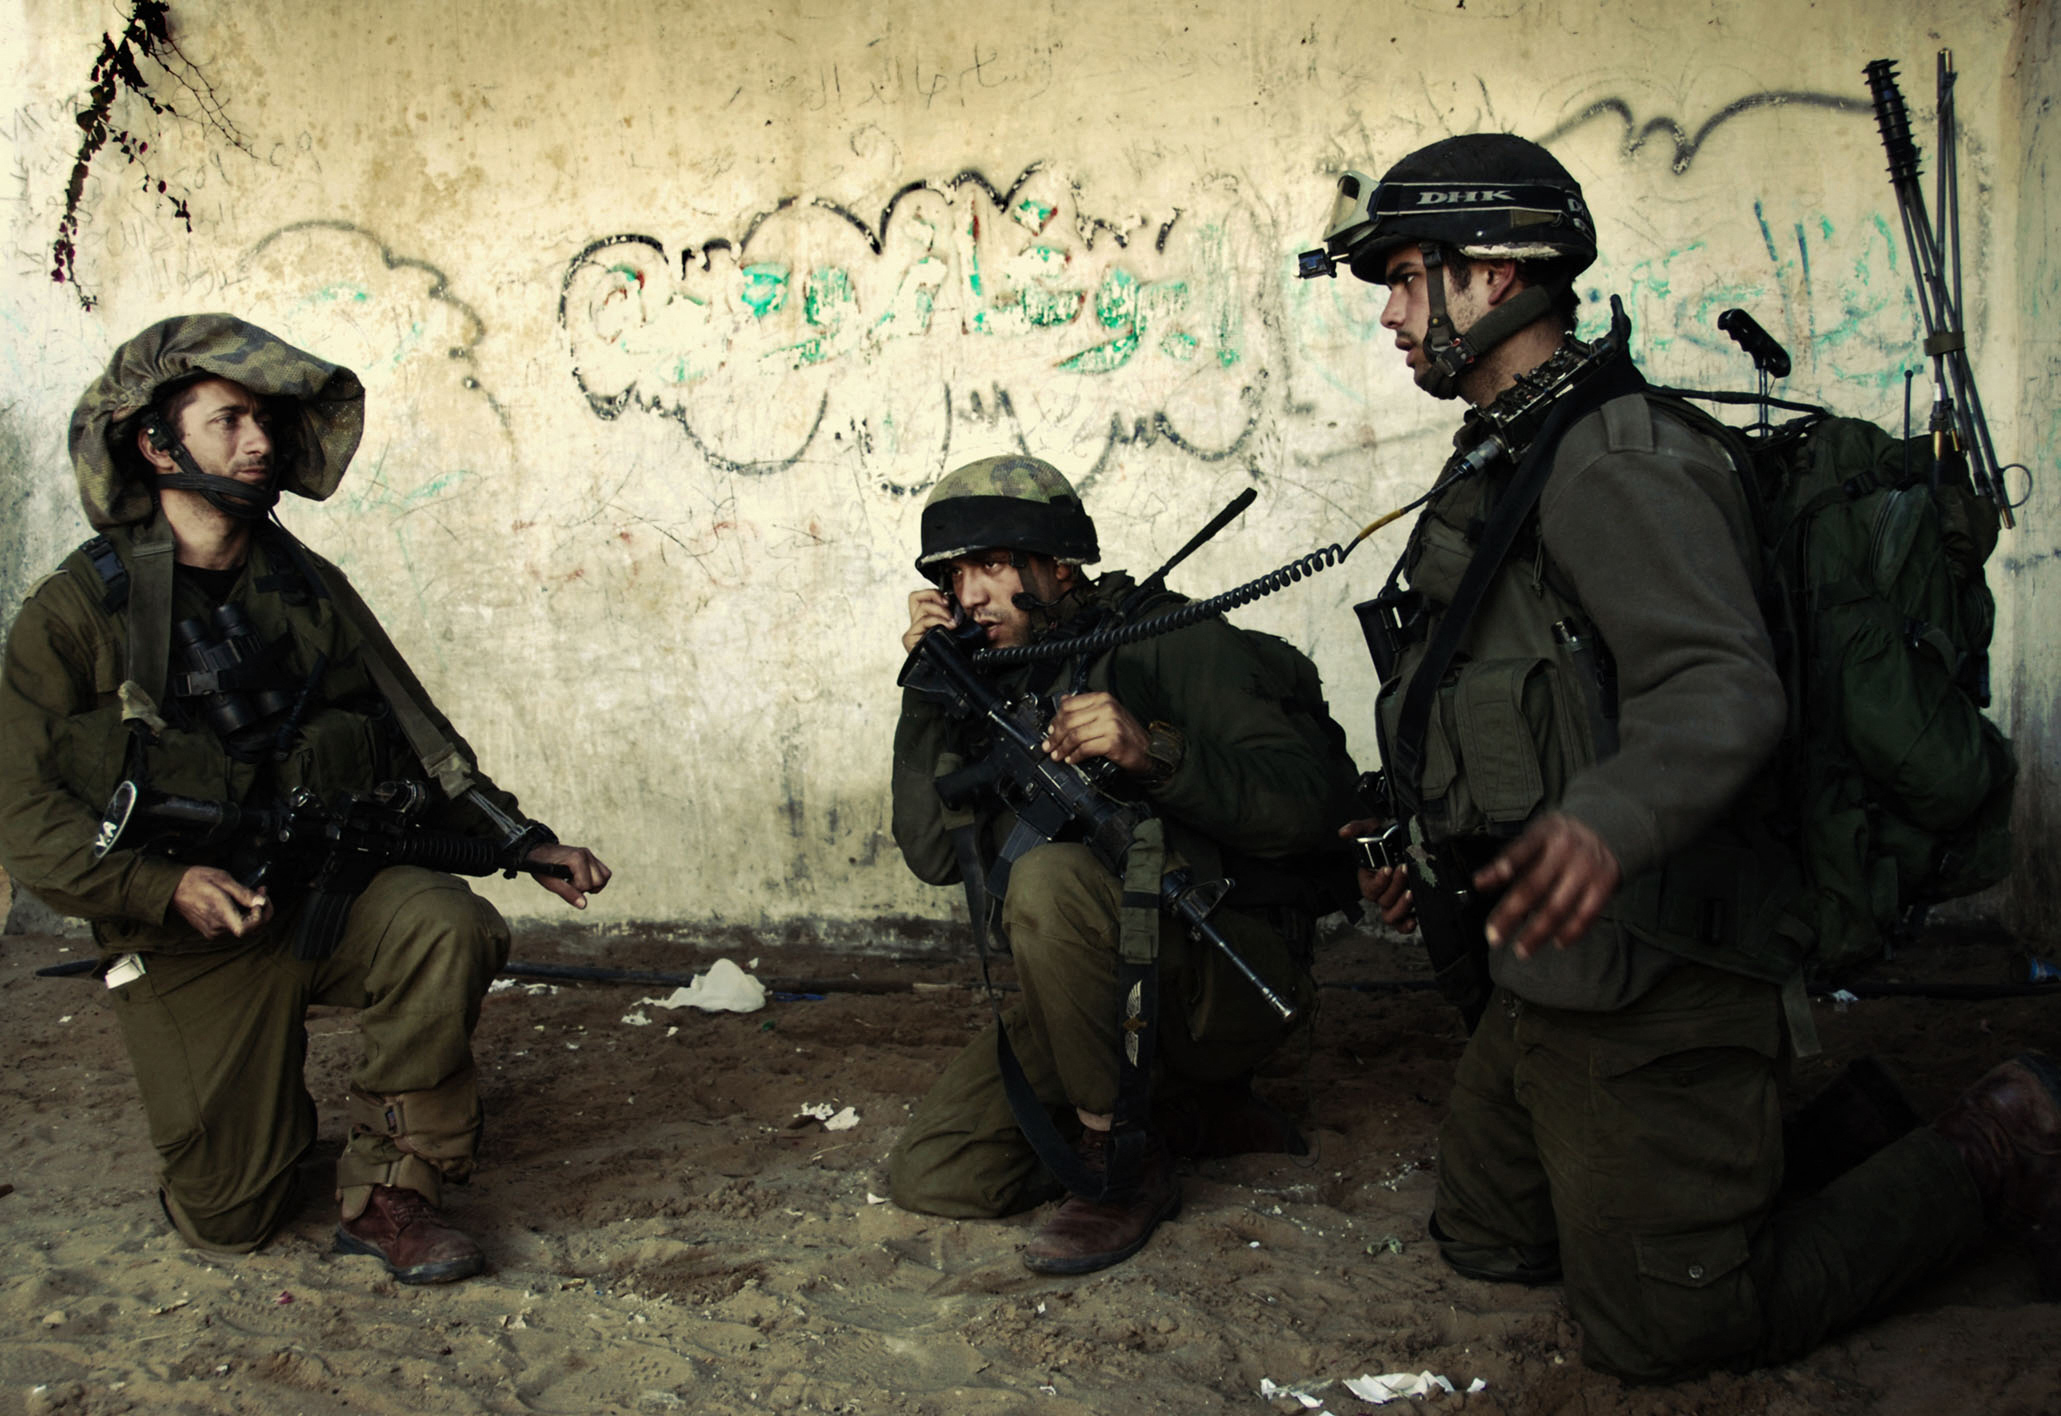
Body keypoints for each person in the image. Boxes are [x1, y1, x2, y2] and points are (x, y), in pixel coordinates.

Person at [1302, 134, 2059, 1379]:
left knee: (1671, 1329)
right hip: (1550, 965)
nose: (1388, 310)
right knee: (1490, 1237)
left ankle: (1999, 1140)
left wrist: (1601, 827)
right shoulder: (1508, 454)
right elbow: (1502, 690)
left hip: (1662, 958)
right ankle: (1807, 1141)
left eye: (1404, 275)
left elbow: (1720, 686)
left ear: (1493, 277)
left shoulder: (1617, 460)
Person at [0, 314, 611, 1284]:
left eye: (267, 424)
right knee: (233, 1213)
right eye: (229, 420)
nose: (259, 444)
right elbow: (25, 824)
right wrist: (164, 891)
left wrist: (521, 843)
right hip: (186, 935)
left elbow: (420, 742)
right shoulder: (74, 616)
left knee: (444, 924)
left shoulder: (305, 585)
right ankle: (265, 1136)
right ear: (157, 444)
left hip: (325, 899)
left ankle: (395, 1193)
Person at [885, 455, 1360, 1274]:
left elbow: (1314, 802)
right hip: (1099, 985)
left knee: (1048, 880)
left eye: (992, 566)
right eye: (954, 575)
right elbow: (933, 855)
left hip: (1227, 973)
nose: (968, 597)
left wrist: (1156, 754)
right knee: (940, 1174)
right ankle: (1179, 1116)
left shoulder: (1167, 640)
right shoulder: (996, 672)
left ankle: (1119, 1163)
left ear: (1058, 565)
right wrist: (927, 690)